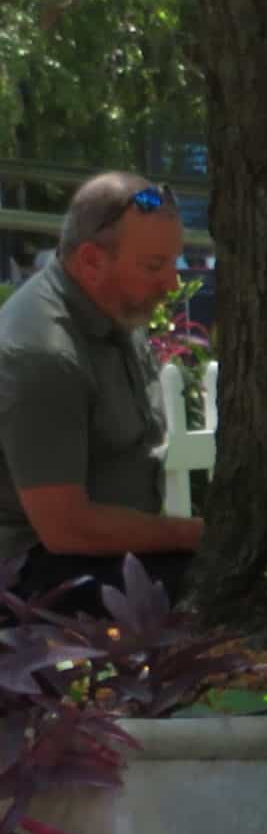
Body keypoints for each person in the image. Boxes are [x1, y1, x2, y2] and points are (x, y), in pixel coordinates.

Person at [0, 172, 199, 611]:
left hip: (106, 556)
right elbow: (65, 528)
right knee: (221, 592)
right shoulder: (44, 353)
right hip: (34, 577)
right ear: (91, 260)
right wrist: (197, 535)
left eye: (174, 262)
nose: (172, 283)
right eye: (154, 266)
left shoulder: (115, 309)